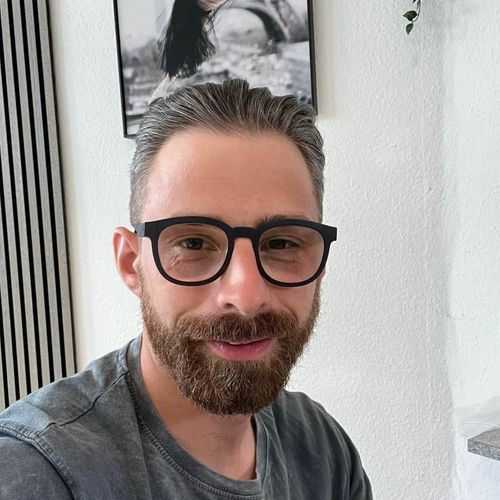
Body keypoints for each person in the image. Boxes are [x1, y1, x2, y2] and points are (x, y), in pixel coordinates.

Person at [0, 79, 372, 499]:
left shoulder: (324, 451)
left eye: (282, 244)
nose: (246, 298)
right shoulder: (36, 473)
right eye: (193, 243)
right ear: (131, 263)